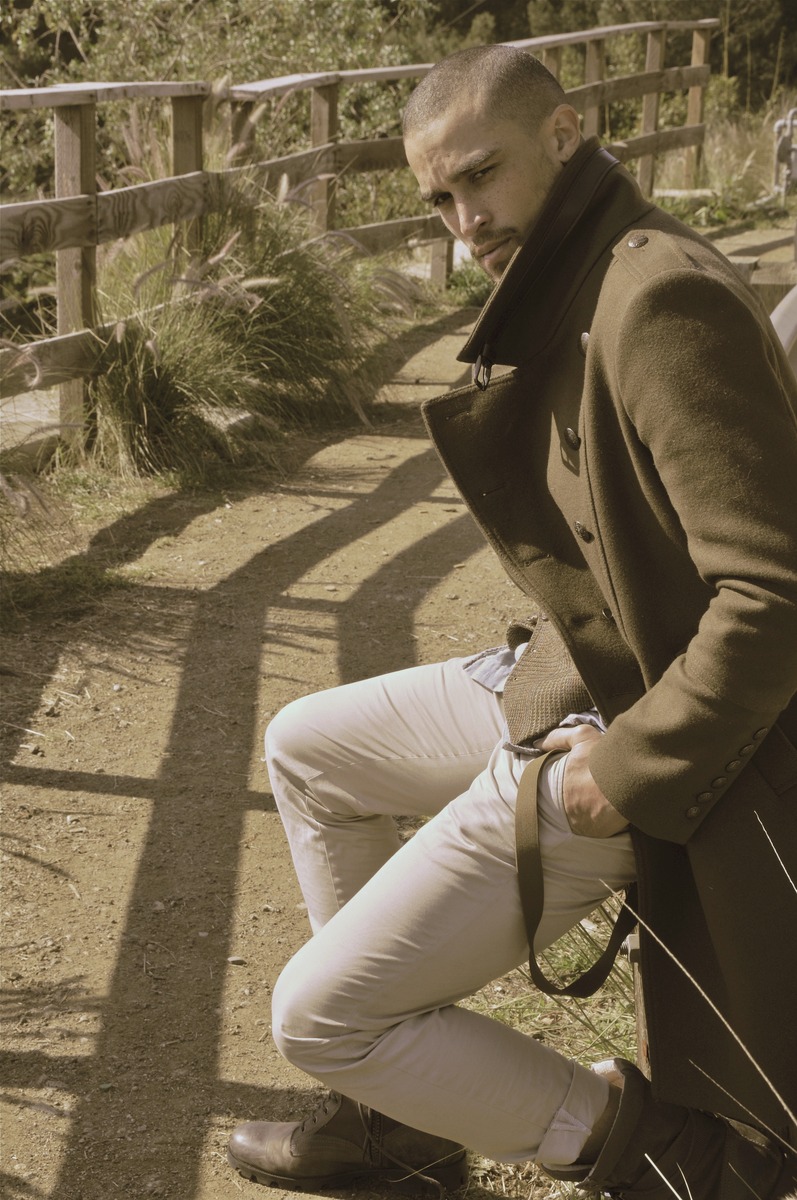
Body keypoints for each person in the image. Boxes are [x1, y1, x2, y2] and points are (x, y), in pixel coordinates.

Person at [227, 44, 797, 1198]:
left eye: (479, 176)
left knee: (317, 1015)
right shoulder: (577, 278)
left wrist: (619, 771)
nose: (463, 221)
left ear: (563, 134)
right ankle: (397, 1120)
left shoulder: (657, 296)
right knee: (306, 748)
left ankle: (672, 1159)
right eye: (438, 198)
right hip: (579, 675)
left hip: (672, 738)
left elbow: (773, 597)